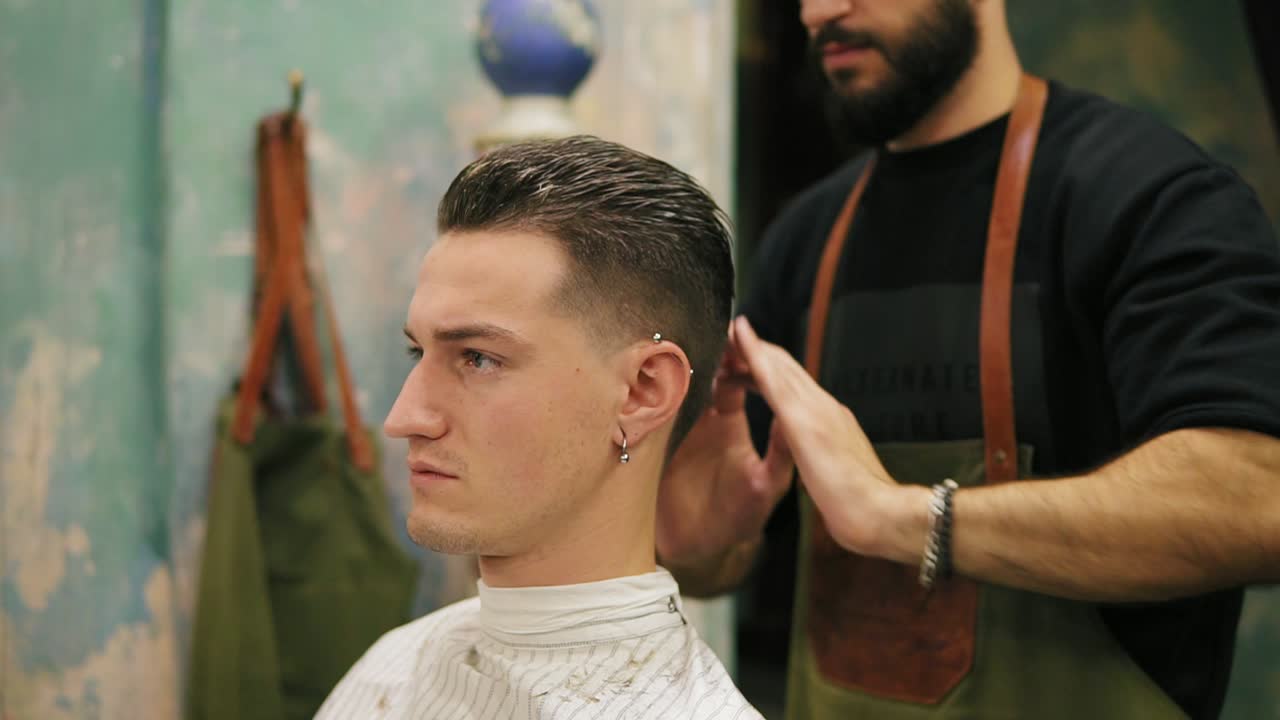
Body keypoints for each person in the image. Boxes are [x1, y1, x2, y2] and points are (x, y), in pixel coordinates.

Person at [655, 1, 1280, 718]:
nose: (819, 11)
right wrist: (701, 542)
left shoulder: (1151, 197)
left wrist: (907, 520)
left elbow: (1258, 501)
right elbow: (720, 563)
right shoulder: (807, 238)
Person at [315, 136, 763, 720]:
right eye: (416, 353)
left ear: (642, 391)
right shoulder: (389, 669)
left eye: (477, 357)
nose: (404, 419)